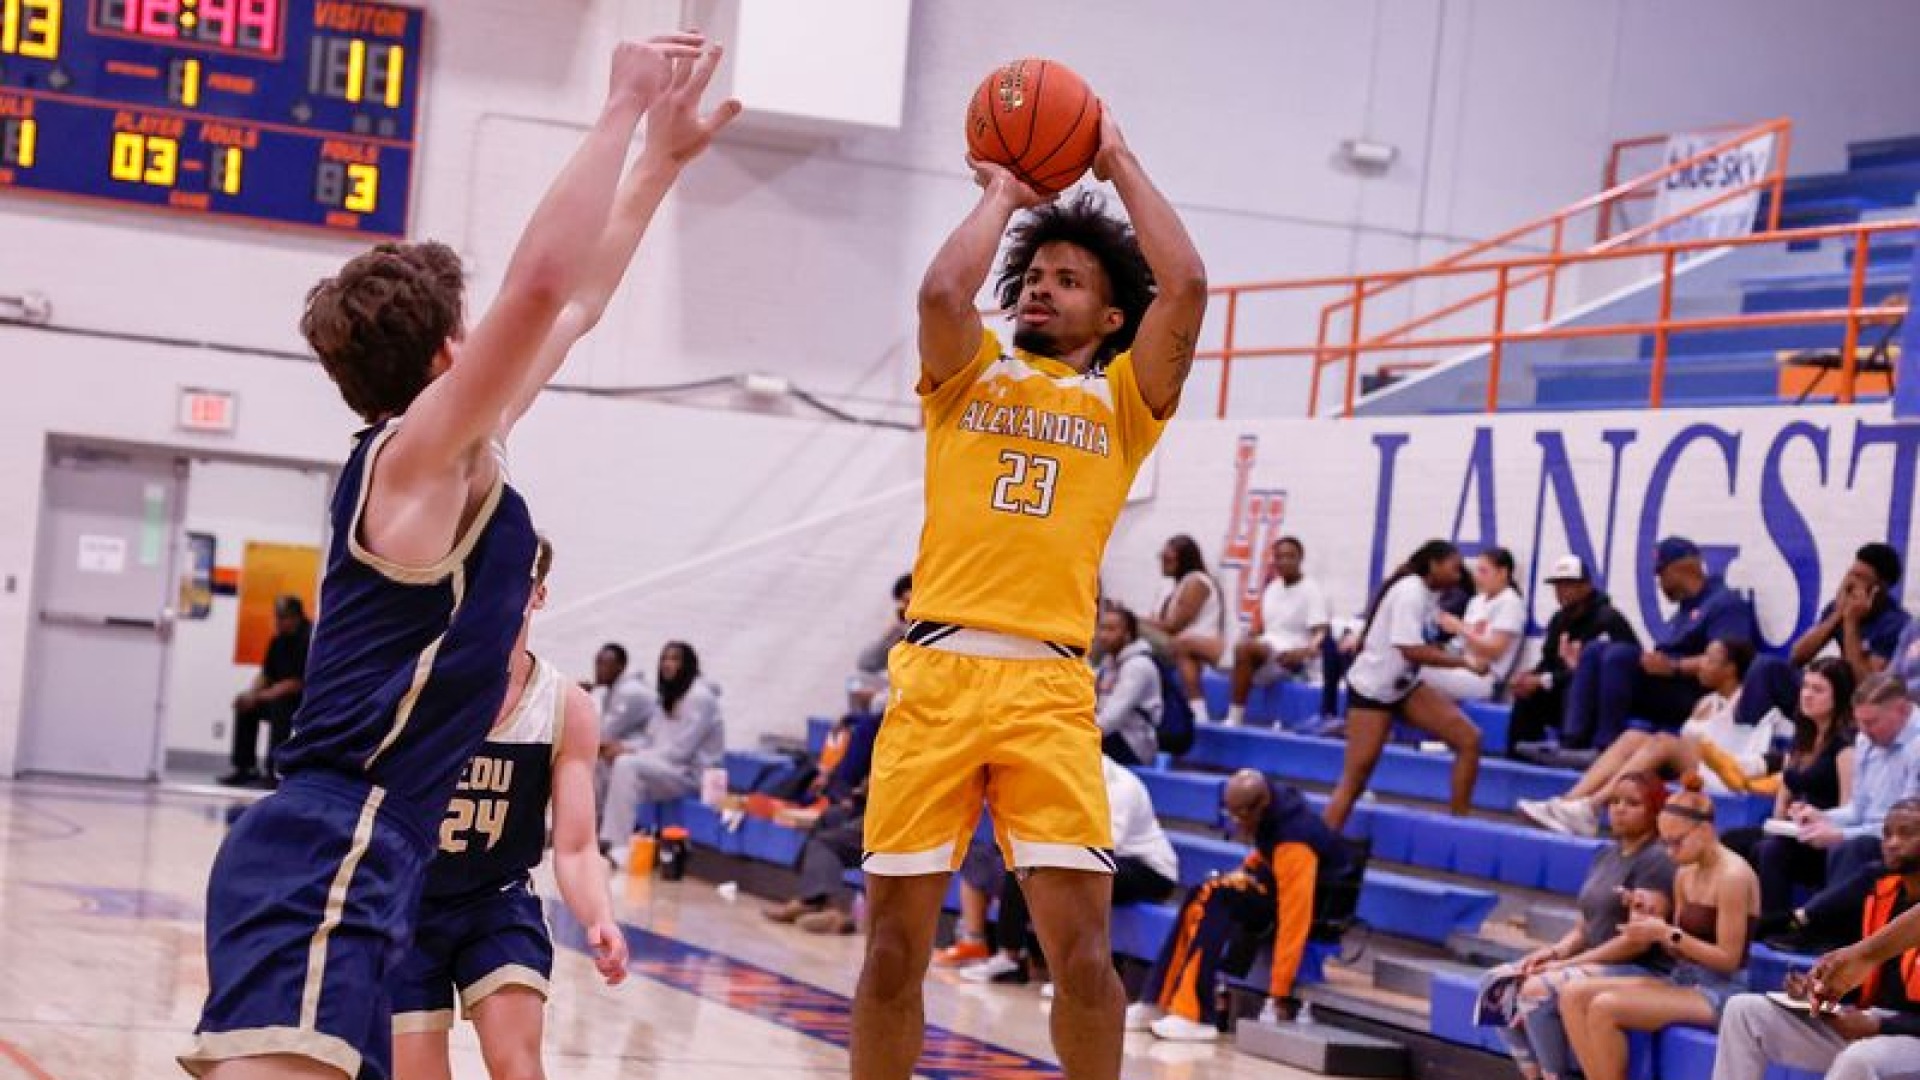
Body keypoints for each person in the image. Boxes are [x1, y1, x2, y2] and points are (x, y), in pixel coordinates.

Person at [180, 35, 737, 1080]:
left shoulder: (459, 459)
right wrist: (616, 106)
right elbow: (538, 288)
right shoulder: (414, 459)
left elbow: (570, 308)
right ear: (447, 353)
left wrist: (660, 160)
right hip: (329, 847)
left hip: (381, 853)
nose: (496, 337)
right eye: (472, 331)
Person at [853, 98, 1207, 1080]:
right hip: (935, 677)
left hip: (1050, 693)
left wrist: (1119, 158)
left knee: (1082, 957)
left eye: (1069, 279)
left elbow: (1188, 281)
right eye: (1036, 276)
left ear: (1112, 315)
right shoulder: (970, 374)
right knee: (890, 952)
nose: (1044, 289)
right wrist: (1008, 194)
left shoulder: (1129, 402)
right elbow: (937, 293)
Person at [389, 537, 628, 1080]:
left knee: (518, 1066)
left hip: (496, 902)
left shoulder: (565, 705)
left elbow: (575, 844)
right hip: (405, 906)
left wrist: (599, 916)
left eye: (508, 581)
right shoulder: (414, 686)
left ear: (537, 596)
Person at [1554, 776, 1761, 1080]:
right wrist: (1648, 920)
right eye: (1665, 843)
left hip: (1720, 991)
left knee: (1605, 1007)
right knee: (1572, 994)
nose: (1670, 852)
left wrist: (1666, 933)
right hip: (1681, 978)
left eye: (1677, 842)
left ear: (1704, 831)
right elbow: (1674, 946)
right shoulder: (1685, 874)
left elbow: (1728, 959)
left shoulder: (1733, 876)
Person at [1126, 772, 1353, 1042]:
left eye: (1240, 817)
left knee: (1218, 896)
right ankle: (1157, 998)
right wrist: (1244, 871)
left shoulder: (1295, 840)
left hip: (1316, 912)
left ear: (1259, 808)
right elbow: (1267, 852)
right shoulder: (1275, 810)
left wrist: (1278, 992)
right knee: (1205, 889)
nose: (1236, 824)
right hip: (1274, 891)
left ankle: (1195, 1014)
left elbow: (1296, 916)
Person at [1711, 799, 1920, 1080]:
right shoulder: (1880, 891)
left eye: (1907, 833)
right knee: (1744, 1012)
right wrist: (1820, 994)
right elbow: (1870, 982)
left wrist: (1880, 1026)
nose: (1892, 843)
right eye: (1887, 834)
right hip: (1871, 1025)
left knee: (1859, 1059)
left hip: (1906, 1035)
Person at [1486, 773, 1677, 1080]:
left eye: (1632, 803)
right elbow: (1585, 925)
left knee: (1535, 990)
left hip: (1640, 968)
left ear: (1655, 810)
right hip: (1595, 960)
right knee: (1497, 986)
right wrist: (1553, 952)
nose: (1619, 809)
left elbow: (1636, 942)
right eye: (1614, 801)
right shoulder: (1605, 854)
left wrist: (1571, 963)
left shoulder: (1656, 860)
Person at [961, 757, 1180, 986]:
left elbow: (1106, 844)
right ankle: (1009, 957)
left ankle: (1076, 971)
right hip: (1095, 856)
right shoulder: (1061, 778)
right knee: (1023, 859)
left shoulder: (1121, 784)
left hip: (1149, 870)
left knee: (1077, 876)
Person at [1519, 638, 1768, 836]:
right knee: (1632, 736)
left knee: (1664, 741)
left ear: (1731, 669)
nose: (1701, 664)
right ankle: (1568, 802)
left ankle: (1592, 807)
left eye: (1710, 660)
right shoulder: (1705, 701)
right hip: (1691, 771)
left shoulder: (1747, 701)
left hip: (1725, 774)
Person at [1324, 540, 1486, 830]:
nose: (1459, 575)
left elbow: (1426, 642)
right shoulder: (1411, 592)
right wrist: (1464, 663)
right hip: (1373, 691)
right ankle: (1317, 849)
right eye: (1454, 568)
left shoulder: (1430, 595)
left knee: (1469, 739)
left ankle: (1460, 825)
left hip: (1404, 686)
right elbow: (1410, 649)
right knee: (1354, 781)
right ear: (1434, 565)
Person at [1561, 536, 1756, 751]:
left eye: (1662, 574)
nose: (1659, 583)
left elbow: (1729, 660)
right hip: (1665, 684)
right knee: (1595, 650)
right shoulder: (1684, 611)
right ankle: (1572, 741)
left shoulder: (1724, 603)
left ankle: (1605, 746)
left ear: (1681, 569)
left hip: (1695, 692)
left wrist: (1675, 667)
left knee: (1619, 656)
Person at [1754, 673, 1920, 920]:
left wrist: (1839, 834)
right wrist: (1821, 817)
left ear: (1902, 710)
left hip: (1901, 843)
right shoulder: (1865, 740)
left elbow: (1907, 828)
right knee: (1774, 849)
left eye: (1872, 722)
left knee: (1851, 848)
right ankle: (1778, 925)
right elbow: (1858, 809)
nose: (1864, 732)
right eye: (1860, 722)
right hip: (1868, 834)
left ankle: (1828, 932)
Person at [1725, 657, 1857, 919]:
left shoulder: (1846, 745)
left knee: (1772, 851)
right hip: (1793, 831)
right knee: (1731, 841)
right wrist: (1778, 822)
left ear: (1839, 696)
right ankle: (1737, 917)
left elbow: (1848, 806)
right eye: (1805, 687)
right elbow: (1786, 789)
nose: (1807, 695)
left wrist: (1816, 819)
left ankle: (1777, 923)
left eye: (1818, 690)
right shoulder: (1803, 735)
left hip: (1824, 840)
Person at [1735, 543, 1909, 730]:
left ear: (1879, 588)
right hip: (1829, 694)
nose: (1850, 582)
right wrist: (1837, 614)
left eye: (1860, 578)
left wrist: (1851, 622)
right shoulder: (1839, 606)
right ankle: (1741, 742)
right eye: (1851, 573)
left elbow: (1866, 686)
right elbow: (1797, 656)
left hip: (1858, 705)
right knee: (1767, 668)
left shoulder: (1896, 624)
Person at [761, 709, 886, 936]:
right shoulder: (882, 722)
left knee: (826, 842)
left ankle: (833, 908)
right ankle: (811, 901)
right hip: (875, 807)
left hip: (895, 816)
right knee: (828, 818)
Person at [598, 641, 725, 862]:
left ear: (688, 665)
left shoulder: (700, 698)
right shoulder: (669, 695)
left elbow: (680, 752)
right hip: (666, 769)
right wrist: (624, 748)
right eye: (664, 659)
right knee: (603, 761)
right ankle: (596, 836)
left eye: (674, 659)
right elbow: (651, 740)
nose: (667, 664)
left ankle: (619, 847)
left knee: (626, 765)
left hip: (692, 775)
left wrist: (630, 754)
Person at [1507, 556, 1640, 751]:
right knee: (1527, 695)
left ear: (1586, 586)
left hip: (1598, 698)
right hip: (1562, 688)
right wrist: (1530, 677)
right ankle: (1518, 758)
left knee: (1572, 689)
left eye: (1568, 584)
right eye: (1558, 585)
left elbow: (1606, 673)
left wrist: (1544, 680)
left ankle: (1573, 748)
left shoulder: (1608, 619)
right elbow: (1548, 661)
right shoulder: (1559, 620)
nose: (1561, 591)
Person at [1223, 536, 1332, 728]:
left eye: (1290, 556)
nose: (1284, 561)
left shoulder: (1311, 589)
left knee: (1244, 650)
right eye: (1280, 557)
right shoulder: (1272, 588)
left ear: (1300, 558)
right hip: (1268, 649)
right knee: (1211, 649)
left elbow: (1321, 633)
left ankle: (1235, 718)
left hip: (1290, 657)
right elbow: (1262, 629)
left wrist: (1304, 653)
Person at [217, 596, 313, 788]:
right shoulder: (277, 641)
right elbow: (266, 675)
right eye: (277, 617)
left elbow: (295, 683)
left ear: (295, 618)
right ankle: (244, 768)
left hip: (302, 701)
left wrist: (260, 696)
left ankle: (274, 771)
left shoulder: (309, 641)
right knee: (245, 707)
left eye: (282, 617)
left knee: (280, 708)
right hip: (277, 695)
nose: (277, 622)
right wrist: (250, 694)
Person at [1423, 547, 1526, 704]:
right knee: (1413, 665)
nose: (1477, 577)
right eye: (1477, 571)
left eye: (1484, 572)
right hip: (1463, 666)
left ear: (1503, 573)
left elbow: (1495, 650)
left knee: (1420, 673)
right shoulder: (1476, 601)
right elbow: (1459, 646)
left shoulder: (1511, 602)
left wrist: (1460, 628)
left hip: (1484, 678)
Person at [1141, 534, 1225, 723]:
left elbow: (1174, 626)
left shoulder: (1197, 581)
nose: (1162, 563)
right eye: (1161, 557)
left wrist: (1135, 620)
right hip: (1178, 644)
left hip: (1195, 643)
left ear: (1184, 559)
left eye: (1168, 559)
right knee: (1119, 628)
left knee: (1124, 627)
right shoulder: (1171, 585)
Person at [1092, 605, 1161, 766]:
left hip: (1133, 744)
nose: (1103, 635)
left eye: (1111, 630)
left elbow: (1110, 720)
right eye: (1101, 628)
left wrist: (1075, 735)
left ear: (1128, 635)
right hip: (1110, 737)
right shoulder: (1108, 663)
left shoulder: (1138, 666)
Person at [849, 573, 913, 715]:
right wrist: (893, 630)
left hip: (914, 695)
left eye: (908, 602)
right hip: (901, 690)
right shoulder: (902, 630)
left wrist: (878, 697)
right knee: (856, 682)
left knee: (871, 704)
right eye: (902, 604)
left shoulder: (928, 635)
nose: (905, 610)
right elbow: (866, 663)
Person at [583, 643, 628, 714]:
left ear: (620, 667)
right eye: (597, 663)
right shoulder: (608, 694)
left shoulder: (628, 694)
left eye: (603, 663)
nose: (598, 669)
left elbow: (607, 724)